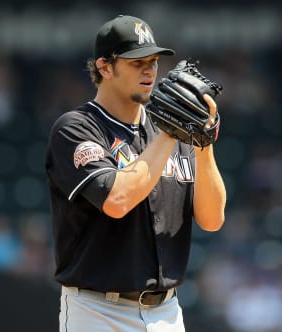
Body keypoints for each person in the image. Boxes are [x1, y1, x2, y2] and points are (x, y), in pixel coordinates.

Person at [45, 14, 226, 332]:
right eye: (136, 61)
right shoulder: (77, 128)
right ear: (104, 67)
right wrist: (171, 132)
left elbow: (212, 219)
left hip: (167, 311)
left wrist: (204, 144)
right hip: (99, 312)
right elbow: (117, 199)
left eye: (153, 61)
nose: (149, 70)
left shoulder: (172, 129)